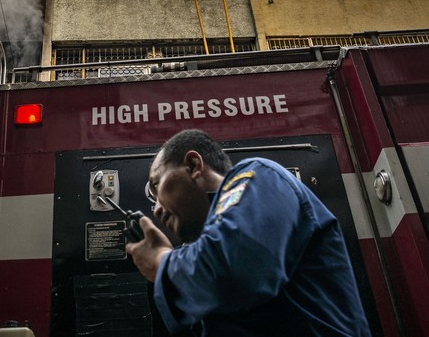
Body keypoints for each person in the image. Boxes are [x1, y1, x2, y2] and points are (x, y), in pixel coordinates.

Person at [126, 129, 370, 336]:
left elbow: (235, 272)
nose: (156, 209)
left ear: (193, 165)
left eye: (156, 186)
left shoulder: (257, 175)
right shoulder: (198, 255)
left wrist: (162, 262)